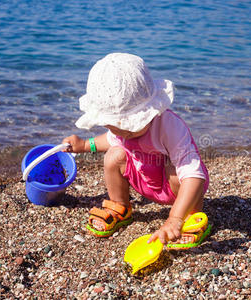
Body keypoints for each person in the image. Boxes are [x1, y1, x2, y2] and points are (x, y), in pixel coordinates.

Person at [62, 53, 210, 248]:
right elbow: (110, 139)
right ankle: (120, 206)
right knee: (114, 155)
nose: (124, 133)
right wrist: (84, 146)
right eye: (115, 126)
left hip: (178, 187)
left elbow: (194, 175)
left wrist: (174, 219)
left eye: (130, 127)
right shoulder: (120, 131)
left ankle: (192, 216)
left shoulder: (170, 127)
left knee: (175, 167)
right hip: (144, 179)